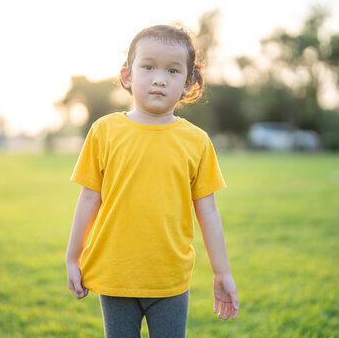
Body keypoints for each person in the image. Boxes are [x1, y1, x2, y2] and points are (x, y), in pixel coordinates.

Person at [65, 24, 239, 338]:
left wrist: (222, 271)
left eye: (173, 71)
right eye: (148, 67)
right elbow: (89, 198)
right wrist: (72, 257)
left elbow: (209, 212)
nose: (159, 78)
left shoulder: (196, 141)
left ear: (188, 84)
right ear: (127, 75)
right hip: (117, 273)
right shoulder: (104, 131)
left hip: (170, 278)